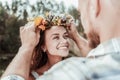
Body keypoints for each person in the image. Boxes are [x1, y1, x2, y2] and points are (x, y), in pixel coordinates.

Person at [1, 0, 120, 80]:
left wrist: (26, 47)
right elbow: (99, 59)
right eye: (56, 37)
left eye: (66, 36)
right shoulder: (30, 76)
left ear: (95, 5)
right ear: (43, 46)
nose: (64, 41)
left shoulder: (72, 69)